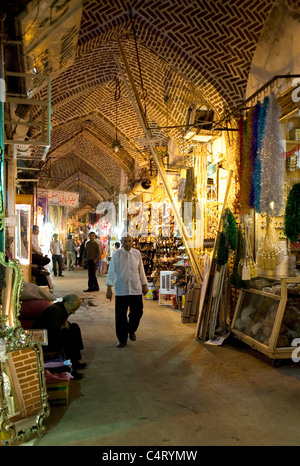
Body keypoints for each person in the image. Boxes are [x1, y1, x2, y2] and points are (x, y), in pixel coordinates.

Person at [106, 232, 148, 348]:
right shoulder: (117, 254)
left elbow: (141, 270)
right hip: (121, 290)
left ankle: (131, 329)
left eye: (129, 241)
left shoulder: (137, 253)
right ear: (121, 242)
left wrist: (144, 284)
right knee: (120, 316)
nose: (128, 243)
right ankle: (122, 339)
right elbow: (111, 272)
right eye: (125, 241)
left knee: (138, 312)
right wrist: (109, 288)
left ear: (132, 241)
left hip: (135, 289)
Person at [32, 294, 86, 380]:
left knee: (74, 327)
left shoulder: (62, 308)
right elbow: (54, 332)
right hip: (42, 340)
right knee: (69, 336)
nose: (73, 313)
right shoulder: (55, 311)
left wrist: (65, 324)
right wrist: (63, 327)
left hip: (50, 335)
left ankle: (75, 361)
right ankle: (71, 369)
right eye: (73, 309)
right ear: (66, 303)